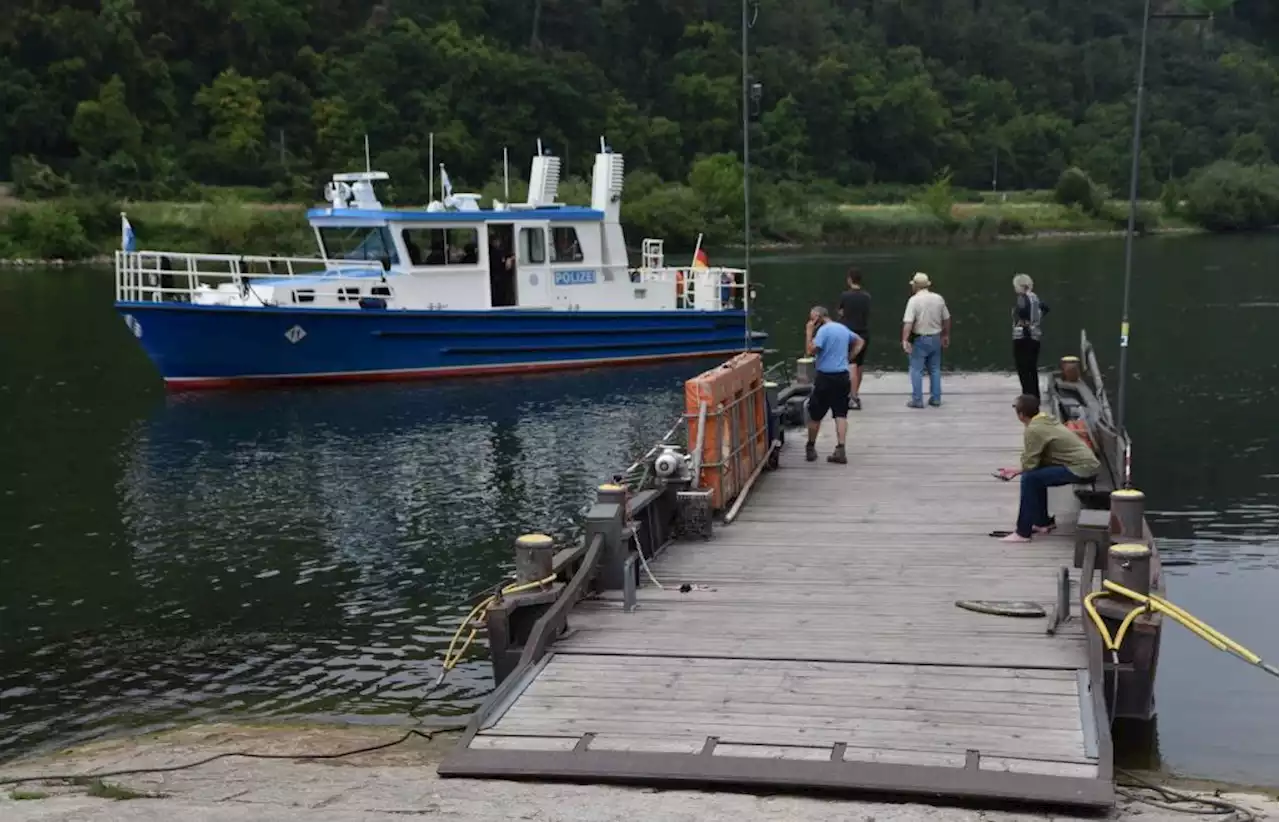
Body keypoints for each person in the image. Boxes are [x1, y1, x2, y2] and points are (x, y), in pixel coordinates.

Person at [996, 394, 1100, 543]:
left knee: (1030, 478)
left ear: (1020, 415)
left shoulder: (1033, 429)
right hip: (1088, 464)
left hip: (1082, 469)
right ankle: (1042, 522)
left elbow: (1030, 463)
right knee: (1035, 476)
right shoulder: (1045, 419)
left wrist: (1019, 470)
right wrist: (1017, 470)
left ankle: (1022, 532)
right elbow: (1033, 463)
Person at [804, 306, 865, 465]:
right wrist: (849, 357)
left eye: (812, 318)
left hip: (825, 376)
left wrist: (809, 332)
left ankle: (810, 447)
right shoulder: (842, 328)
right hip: (842, 376)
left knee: (815, 413)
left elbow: (810, 350)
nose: (811, 321)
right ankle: (841, 448)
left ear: (818, 317)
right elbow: (860, 341)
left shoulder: (823, 331)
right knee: (840, 414)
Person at [901, 272, 950, 408]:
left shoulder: (913, 300)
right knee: (935, 369)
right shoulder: (938, 298)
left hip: (920, 339)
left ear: (915, 286)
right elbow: (946, 318)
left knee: (916, 369)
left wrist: (905, 340)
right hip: (936, 338)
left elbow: (908, 323)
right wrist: (945, 335)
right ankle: (936, 398)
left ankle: (917, 399)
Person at [838, 266, 871, 410]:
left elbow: (840, 312)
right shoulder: (867, 296)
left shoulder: (845, 296)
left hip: (849, 333)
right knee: (860, 365)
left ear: (850, 279)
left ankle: (852, 397)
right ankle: (855, 392)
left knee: (851, 365)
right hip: (864, 333)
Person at [1012, 273, 1049, 398]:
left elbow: (1022, 311)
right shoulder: (1035, 298)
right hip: (1035, 337)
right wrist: (1036, 321)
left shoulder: (1022, 298)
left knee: (1023, 368)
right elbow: (1045, 309)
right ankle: (1035, 395)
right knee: (1032, 368)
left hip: (1023, 337)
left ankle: (1026, 396)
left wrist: (1023, 321)